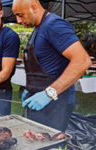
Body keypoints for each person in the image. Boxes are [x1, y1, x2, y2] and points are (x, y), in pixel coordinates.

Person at [12, 0, 92, 132]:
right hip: (39, 102)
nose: (18, 21)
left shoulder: (54, 25)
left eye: (20, 15)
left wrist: (49, 93)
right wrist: (30, 88)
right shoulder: (39, 28)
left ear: (34, 7)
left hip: (55, 105)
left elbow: (82, 60)